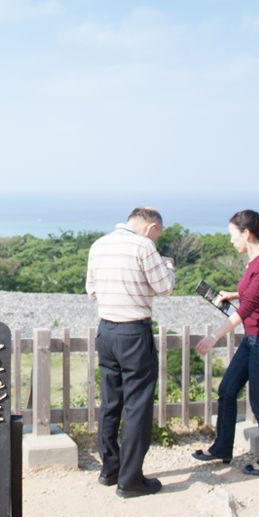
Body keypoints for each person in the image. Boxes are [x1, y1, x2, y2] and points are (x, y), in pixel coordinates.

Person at [86, 207, 175, 497]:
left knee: (111, 401)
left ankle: (109, 469)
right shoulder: (144, 246)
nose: (157, 239)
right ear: (151, 227)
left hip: (106, 331)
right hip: (133, 333)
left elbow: (92, 290)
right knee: (138, 405)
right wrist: (168, 267)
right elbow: (164, 288)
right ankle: (130, 480)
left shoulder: (99, 245)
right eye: (158, 234)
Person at [193, 210, 259, 476]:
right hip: (253, 340)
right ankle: (222, 448)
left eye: (233, 235)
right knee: (227, 390)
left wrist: (214, 337)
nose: (231, 241)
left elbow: (245, 310)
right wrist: (232, 293)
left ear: (246, 234)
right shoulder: (256, 264)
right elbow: (255, 294)